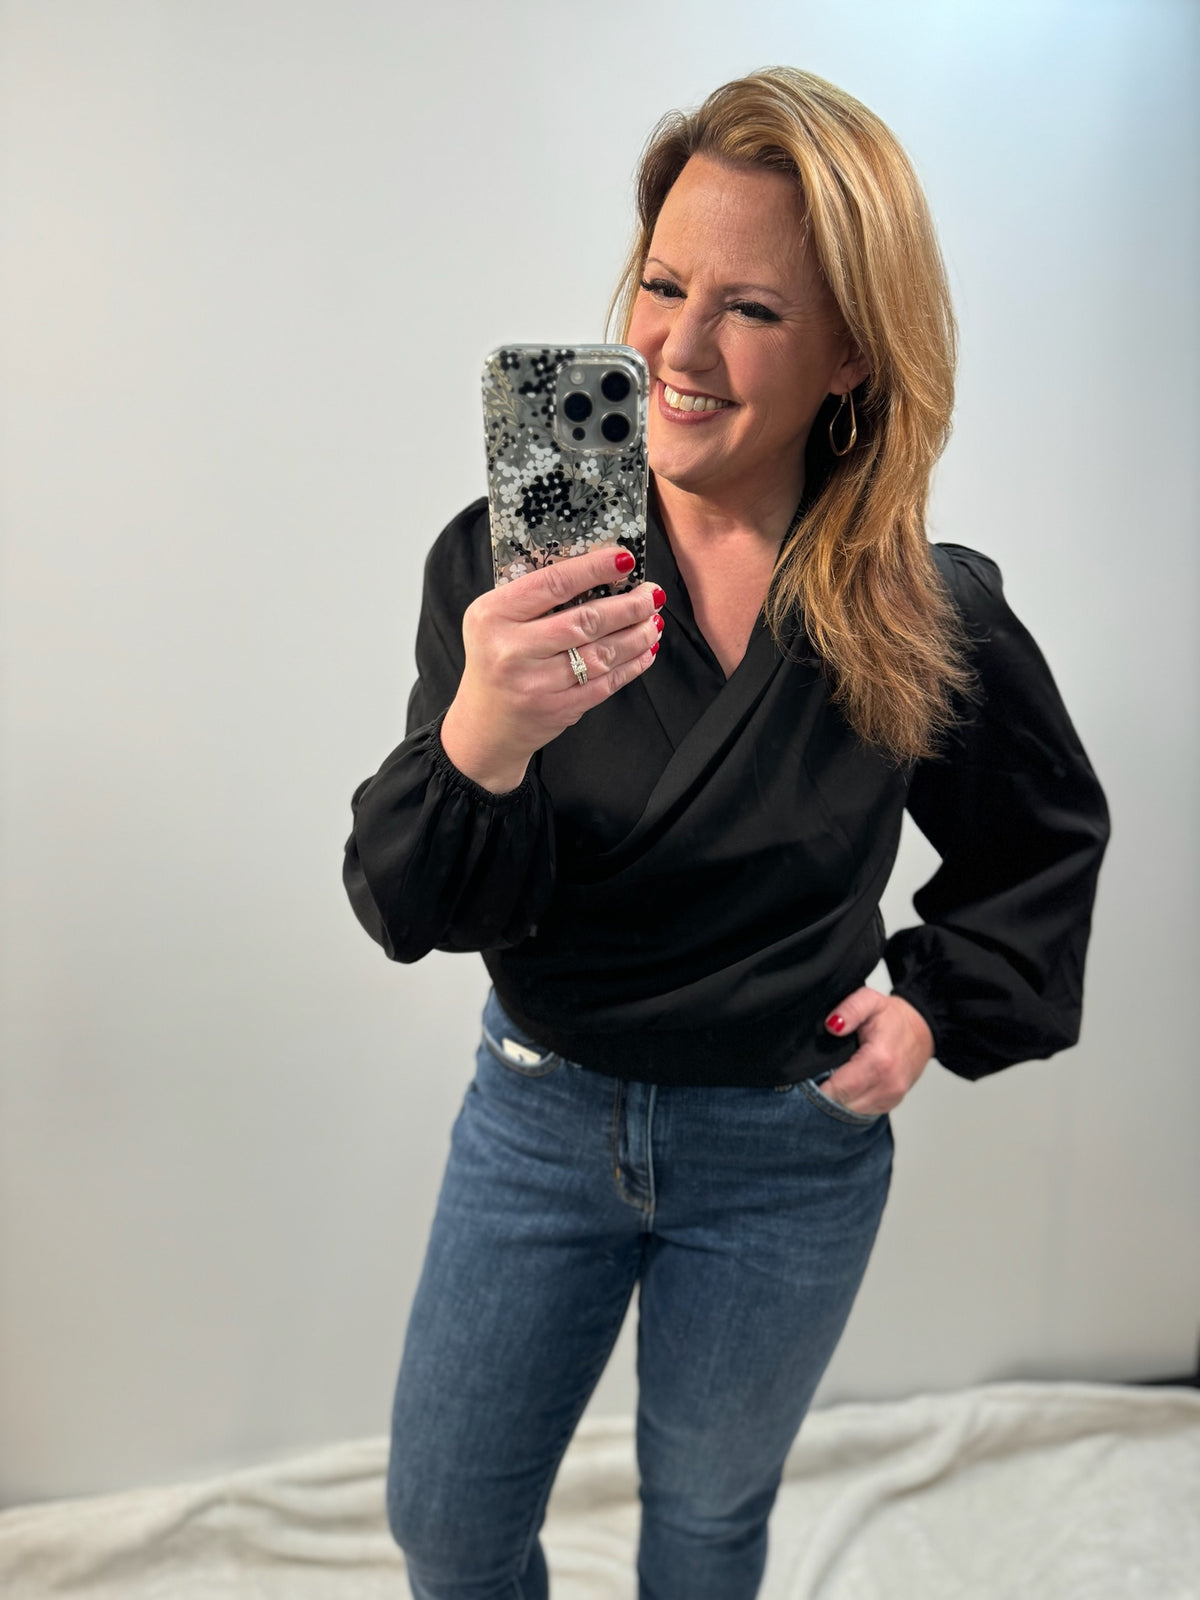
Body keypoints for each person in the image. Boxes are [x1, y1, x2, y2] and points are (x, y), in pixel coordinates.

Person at [343, 66, 1109, 1600]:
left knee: (705, 1526)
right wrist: (484, 732)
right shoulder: (507, 574)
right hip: (540, 1120)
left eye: (751, 309)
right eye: (663, 285)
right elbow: (410, 904)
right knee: (448, 1526)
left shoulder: (925, 611)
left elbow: (1040, 839)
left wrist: (932, 1007)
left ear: (851, 351)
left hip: (784, 1147)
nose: (678, 351)